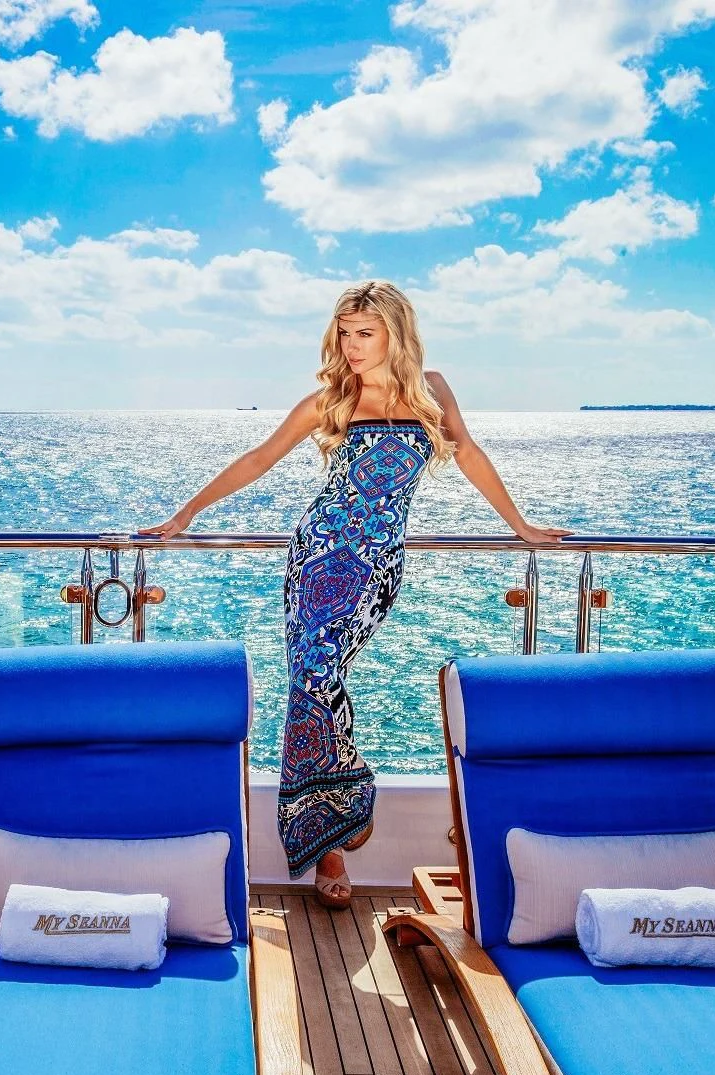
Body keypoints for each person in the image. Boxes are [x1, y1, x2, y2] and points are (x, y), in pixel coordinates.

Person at [140, 280, 571, 909]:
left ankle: (341, 808)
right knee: (310, 683)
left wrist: (522, 528)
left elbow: (469, 453)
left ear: (396, 332)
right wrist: (182, 517)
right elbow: (258, 460)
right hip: (318, 558)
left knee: (322, 683)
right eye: (344, 331)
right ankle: (332, 842)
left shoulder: (431, 390)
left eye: (364, 331)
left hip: (375, 568)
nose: (352, 344)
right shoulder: (331, 399)